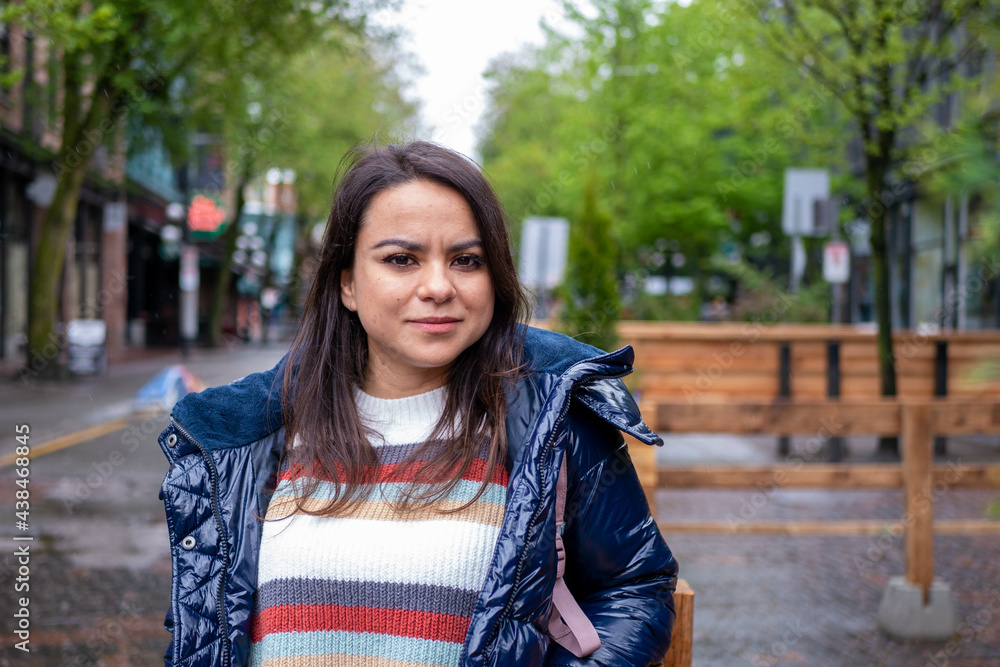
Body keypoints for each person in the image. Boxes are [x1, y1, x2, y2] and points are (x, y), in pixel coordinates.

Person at [158, 141, 678, 666]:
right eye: (401, 259)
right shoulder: (249, 435)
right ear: (347, 284)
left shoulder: (555, 417)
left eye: (466, 260)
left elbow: (633, 588)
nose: (437, 287)